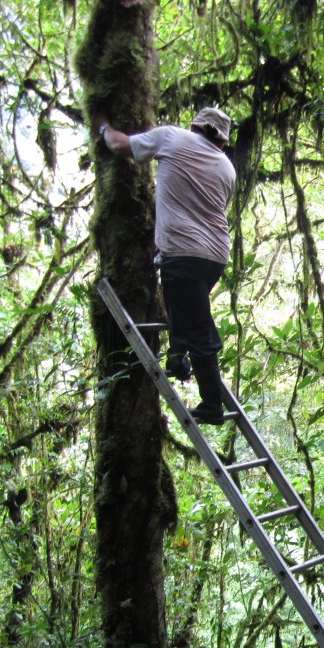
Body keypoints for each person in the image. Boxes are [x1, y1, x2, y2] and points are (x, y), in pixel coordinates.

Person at [94, 107, 237, 425]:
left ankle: (211, 404)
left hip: (183, 253)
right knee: (186, 310)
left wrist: (103, 125)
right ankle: (177, 358)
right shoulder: (227, 169)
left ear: (195, 126)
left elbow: (120, 145)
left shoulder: (172, 138)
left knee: (198, 328)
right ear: (223, 141)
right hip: (215, 255)